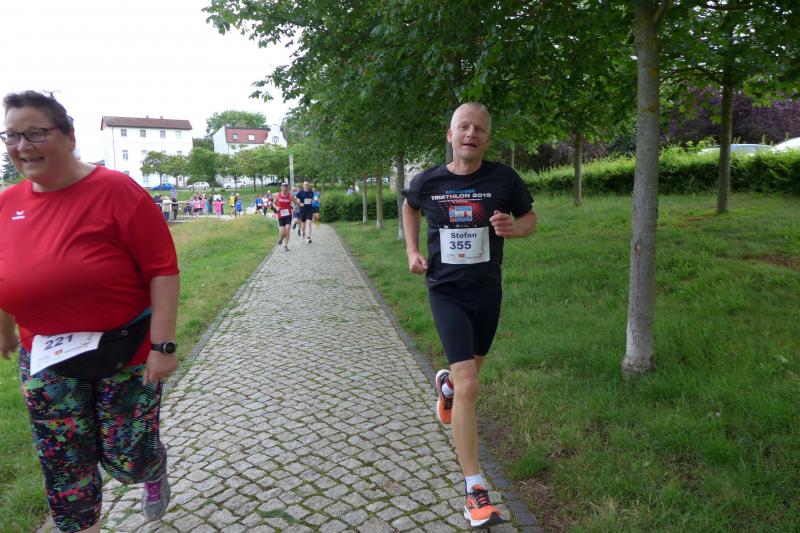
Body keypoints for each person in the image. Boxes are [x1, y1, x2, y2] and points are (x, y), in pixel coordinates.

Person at [0, 91, 180, 533]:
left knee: (128, 457)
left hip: (124, 351)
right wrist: (5, 330)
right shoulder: (6, 204)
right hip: (46, 358)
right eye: (11, 136)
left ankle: (151, 467)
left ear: (68, 136)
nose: (22, 146)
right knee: (66, 470)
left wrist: (163, 346)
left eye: (35, 133)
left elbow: (162, 270)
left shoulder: (117, 191)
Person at [402, 102, 537, 529]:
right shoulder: (428, 180)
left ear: (487, 138)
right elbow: (409, 205)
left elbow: (530, 219)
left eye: (479, 128)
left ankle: (446, 387)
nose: (470, 134)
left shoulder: (503, 179)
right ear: (450, 134)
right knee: (471, 385)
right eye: (463, 126)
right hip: (446, 292)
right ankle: (475, 490)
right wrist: (412, 250)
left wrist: (515, 228)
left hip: (486, 293)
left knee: (466, 382)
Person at [273, 182, 298, 251]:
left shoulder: (290, 195)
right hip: (280, 215)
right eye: (283, 187)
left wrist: (294, 209)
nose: (284, 188)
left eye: (285, 187)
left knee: (287, 229)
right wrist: (276, 207)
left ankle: (285, 245)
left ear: (287, 188)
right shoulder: (277, 195)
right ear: (281, 188)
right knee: (282, 232)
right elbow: (273, 203)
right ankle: (281, 238)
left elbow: (296, 203)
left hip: (288, 214)